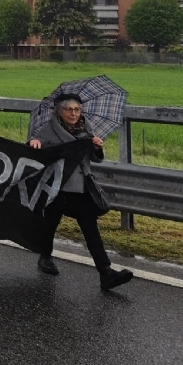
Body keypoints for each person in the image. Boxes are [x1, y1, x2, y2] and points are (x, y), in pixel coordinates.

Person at [28, 93, 133, 291]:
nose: (73, 113)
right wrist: (35, 144)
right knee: (50, 225)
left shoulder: (87, 128)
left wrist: (98, 148)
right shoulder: (48, 130)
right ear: (60, 111)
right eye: (68, 109)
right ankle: (45, 257)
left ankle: (106, 273)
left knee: (90, 228)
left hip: (81, 187)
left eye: (76, 109)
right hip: (57, 187)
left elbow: (96, 159)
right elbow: (35, 149)